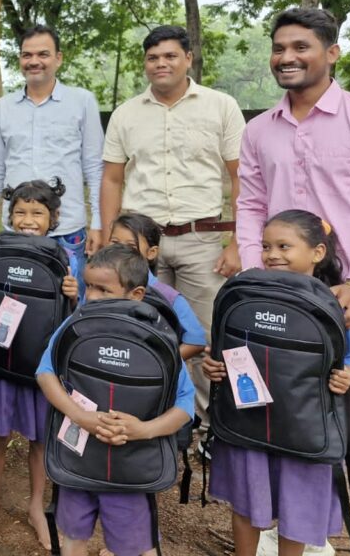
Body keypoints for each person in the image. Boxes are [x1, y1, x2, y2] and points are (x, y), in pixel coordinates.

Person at [236, 7, 350, 556]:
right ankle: (302, 534)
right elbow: (251, 205)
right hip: (281, 312)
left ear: (332, 52)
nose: (287, 57)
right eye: (279, 48)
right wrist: (259, 279)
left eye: (300, 47)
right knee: (288, 427)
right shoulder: (258, 130)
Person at [100, 24, 245, 419]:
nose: (160, 64)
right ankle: (148, 410)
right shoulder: (126, 114)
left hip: (202, 242)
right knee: (141, 326)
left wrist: (238, 241)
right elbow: (113, 179)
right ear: (145, 64)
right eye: (152, 57)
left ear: (187, 59)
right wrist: (112, 241)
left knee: (204, 336)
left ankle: (201, 424)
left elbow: (239, 176)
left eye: (169, 56)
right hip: (140, 243)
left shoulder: (221, 106)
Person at [204, 210, 350, 555]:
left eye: (284, 246)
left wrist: (348, 373)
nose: (272, 254)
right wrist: (213, 366)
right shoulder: (246, 291)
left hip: (297, 427)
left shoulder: (333, 300)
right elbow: (220, 350)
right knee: (245, 501)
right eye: (266, 246)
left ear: (318, 252)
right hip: (257, 423)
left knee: (298, 506)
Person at [36, 245, 195, 556]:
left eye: (103, 289)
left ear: (136, 293)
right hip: (77, 462)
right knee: (72, 536)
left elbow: (185, 406)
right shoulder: (75, 326)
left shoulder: (156, 339)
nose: (91, 297)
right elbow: (45, 375)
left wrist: (142, 430)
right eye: (88, 286)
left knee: (134, 546)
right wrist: (79, 415)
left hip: (129, 471)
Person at [0, 179, 80, 550]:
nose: (28, 219)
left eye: (37, 213)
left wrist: (75, 295)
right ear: (9, 216)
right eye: (20, 212)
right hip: (1, 364)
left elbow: (76, 316)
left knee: (40, 439)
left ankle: (35, 505)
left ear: (54, 218)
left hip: (42, 369)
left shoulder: (67, 258)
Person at [0, 25, 103, 282]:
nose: (34, 61)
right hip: (18, 227)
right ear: (20, 59)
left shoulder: (82, 102)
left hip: (67, 230)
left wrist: (99, 223)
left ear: (58, 58)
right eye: (27, 55)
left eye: (43, 54)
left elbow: (94, 168)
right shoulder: (3, 108)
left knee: (68, 299)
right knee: (21, 297)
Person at [108, 212, 207, 361]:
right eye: (115, 243)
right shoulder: (97, 286)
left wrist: (161, 365)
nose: (120, 251)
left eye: (131, 246)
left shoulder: (168, 297)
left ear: (152, 252)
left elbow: (196, 341)